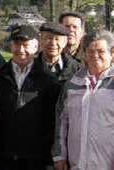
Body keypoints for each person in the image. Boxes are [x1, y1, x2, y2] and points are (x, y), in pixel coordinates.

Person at [0, 25, 61, 169]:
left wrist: (49, 160)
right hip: (3, 159)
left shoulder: (48, 79)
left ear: (36, 46)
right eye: (17, 44)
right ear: (10, 46)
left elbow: (53, 122)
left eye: (26, 45)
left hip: (36, 160)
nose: (21, 50)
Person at [52, 29, 114, 170]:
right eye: (90, 51)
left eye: (100, 51)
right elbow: (61, 123)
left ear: (112, 54)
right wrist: (59, 156)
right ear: (85, 54)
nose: (95, 55)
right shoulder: (72, 84)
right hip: (77, 164)